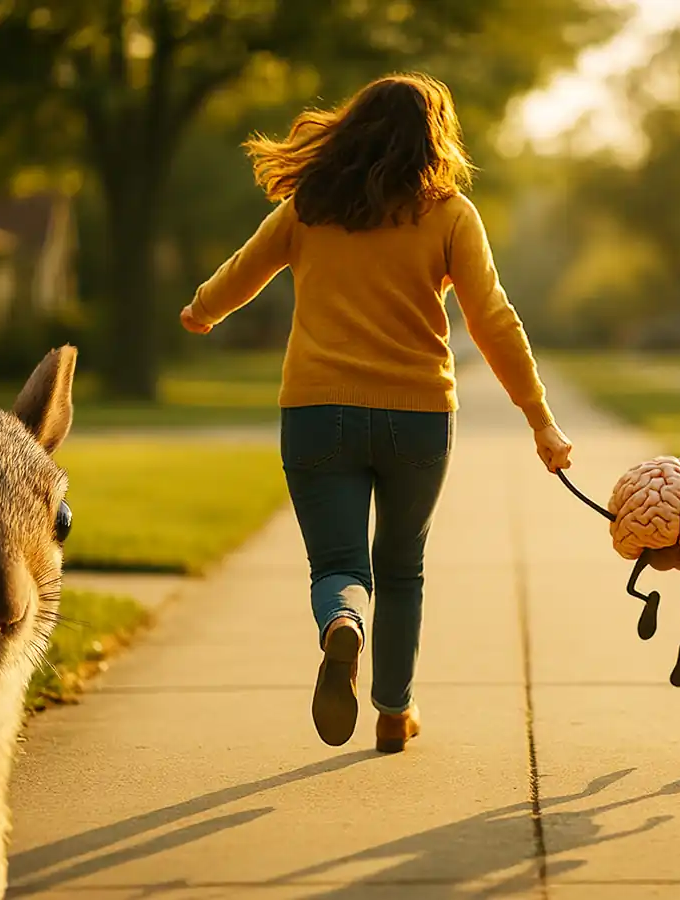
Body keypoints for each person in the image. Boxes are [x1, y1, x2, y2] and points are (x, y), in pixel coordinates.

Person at [179, 73, 573, 753]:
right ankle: (394, 711)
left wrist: (203, 309)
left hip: (317, 411)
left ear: (352, 128)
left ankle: (342, 624)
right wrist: (539, 417)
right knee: (401, 567)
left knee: (339, 564)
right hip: (418, 416)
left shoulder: (309, 207)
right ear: (435, 140)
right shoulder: (450, 215)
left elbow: (247, 267)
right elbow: (492, 319)